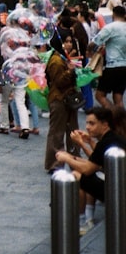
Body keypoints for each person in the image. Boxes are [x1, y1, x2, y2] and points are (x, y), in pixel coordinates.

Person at [55, 106, 126, 234]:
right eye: (87, 123)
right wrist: (84, 145)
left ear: (104, 125)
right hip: (117, 189)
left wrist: (67, 158)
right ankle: (88, 219)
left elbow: (88, 168)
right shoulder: (111, 138)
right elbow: (96, 161)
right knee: (83, 173)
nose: (87, 127)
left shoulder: (108, 142)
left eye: (92, 123)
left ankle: (83, 221)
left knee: (77, 175)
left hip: (118, 194)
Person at [45, 37, 80, 173]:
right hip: (59, 99)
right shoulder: (56, 60)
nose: (69, 44)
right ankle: (55, 163)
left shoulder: (63, 57)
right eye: (66, 41)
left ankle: (75, 161)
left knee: (73, 131)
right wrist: (70, 70)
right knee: (57, 132)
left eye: (71, 41)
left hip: (68, 99)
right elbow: (59, 82)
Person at [90, 5, 126, 108]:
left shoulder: (110, 27)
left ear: (113, 14)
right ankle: (121, 122)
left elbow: (95, 42)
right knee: (118, 97)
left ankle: (114, 114)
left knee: (100, 95)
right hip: (125, 66)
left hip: (113, 66)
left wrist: (88, 49)